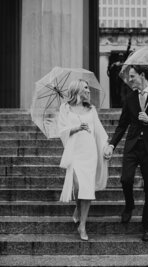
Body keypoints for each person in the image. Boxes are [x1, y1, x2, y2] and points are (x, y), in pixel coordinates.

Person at [104, 65, 148, 242]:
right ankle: (129, 205)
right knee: (125, 179)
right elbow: (122, 125)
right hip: (132, 145)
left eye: (132, 76)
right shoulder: (129, 97)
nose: (129, 80)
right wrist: (112, 145)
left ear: (142, 75)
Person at [57, 79, 108, 241]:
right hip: (75, 152)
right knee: (78, 186)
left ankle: (83, 225)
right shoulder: (65, 108)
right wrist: (76, 128)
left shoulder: (91, 109)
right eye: (86, 88)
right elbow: (61, 130)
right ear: (78, 89)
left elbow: (99, 131)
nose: (89, 91)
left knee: (87, 189)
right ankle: (78, 209)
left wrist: (106, 147)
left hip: (90, 152)